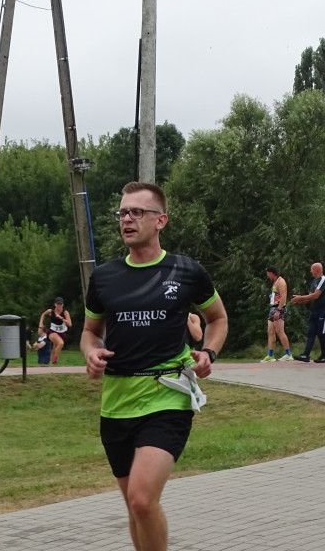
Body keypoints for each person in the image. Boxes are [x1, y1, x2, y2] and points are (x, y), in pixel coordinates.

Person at [81, 181, 228, 551]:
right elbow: (89, 331)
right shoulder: (104, 278)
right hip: (116, 402)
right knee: (135, 508)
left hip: (167, 397)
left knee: (143, 499)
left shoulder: (186, 271)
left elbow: (217, 318)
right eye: (123, 212)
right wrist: (91, 352)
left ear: (160, 220)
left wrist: (208, 352)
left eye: (137, 212)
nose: (127, 219)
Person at [290, 262, 325, 363]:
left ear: (317, 270)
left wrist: (301, 297)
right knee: (311, 332)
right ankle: (305, 355)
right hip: (314, 309)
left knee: (321, 332)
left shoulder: (323, 280)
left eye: (311, 269)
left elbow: (316, 295)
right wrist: (300, 300)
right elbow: (310, 297)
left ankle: (323, 356)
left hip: (323, 309)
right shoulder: (313, 282)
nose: (310, 271)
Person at [262, 266, 291, 362]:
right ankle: (270, 355)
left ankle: (288, 354)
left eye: (267, 273)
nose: (267, 275)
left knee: (280, 331)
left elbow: (283, 297)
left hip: (278, 308)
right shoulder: (275, 282)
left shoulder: (281, 282)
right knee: (270, 332)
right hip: (273, 308)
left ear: (271, 273)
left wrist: (279, 310)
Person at [39, 297, 73, 364]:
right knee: (60, 343)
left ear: (63, 305)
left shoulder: (65, 312)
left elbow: (70, 324)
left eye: (61, 304)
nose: (59, 305)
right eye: (58, 304)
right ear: (55, 304)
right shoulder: (51, 311)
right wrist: (41, 323)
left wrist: (61, 318)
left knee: (55, 346)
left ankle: (52, 364)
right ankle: (55, 359)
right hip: (52, 332)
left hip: (61, 333)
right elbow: (43, 315)